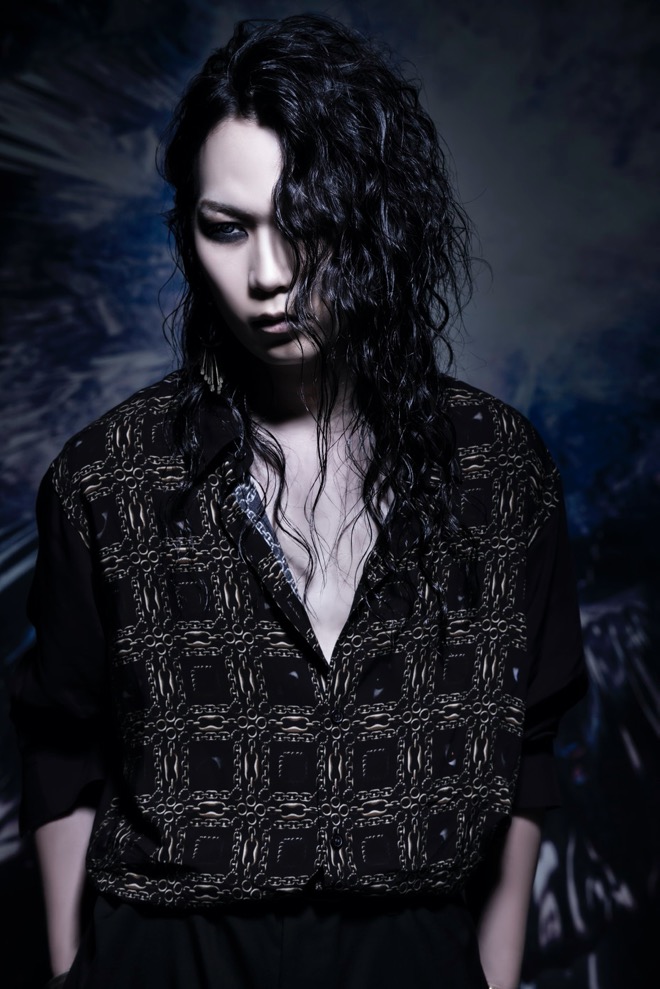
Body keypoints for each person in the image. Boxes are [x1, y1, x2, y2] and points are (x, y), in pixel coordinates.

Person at [12, 14, 587, 989]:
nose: (269, 275)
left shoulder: (496, 472)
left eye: (305, 220)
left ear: (377, 218)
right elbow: (60, 746)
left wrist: (489, 975)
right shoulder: (110, 478)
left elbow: (530, 743)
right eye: (228, 227)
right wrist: (76, 971)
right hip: (169, 954)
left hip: (412, 951)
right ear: (187, 233)